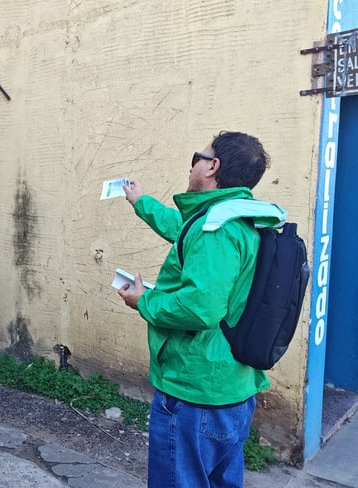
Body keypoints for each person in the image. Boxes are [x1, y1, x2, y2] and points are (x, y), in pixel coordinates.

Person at [117, 131, 285, 488]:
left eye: (199, 156)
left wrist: (144, 300)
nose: (193, 164)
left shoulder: (217, 231)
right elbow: (184, 232)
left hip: (196, 392)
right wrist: (140, 201)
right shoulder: (234, 218)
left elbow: (199, 309)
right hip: (231, 386)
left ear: (212, 166)